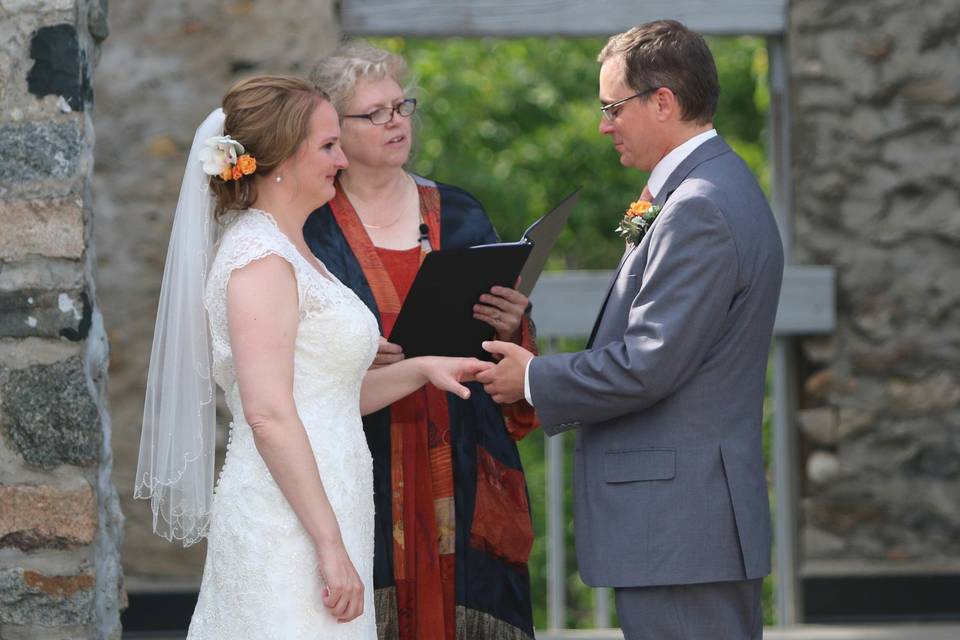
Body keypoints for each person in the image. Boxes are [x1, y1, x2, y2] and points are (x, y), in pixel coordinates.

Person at [134, 75, 491, 640]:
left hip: (330, 502)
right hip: (286, 521)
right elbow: (269, 412)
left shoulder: (293, 247)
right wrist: (329, 546)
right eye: (328, 146)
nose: (342, 159)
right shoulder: (259, 259)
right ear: (279, 160)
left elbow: (327, 394)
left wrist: (422, 370)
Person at [478, 21, 784, 640]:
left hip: (681, 524)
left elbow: (649, 362)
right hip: (688, 525)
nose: (603, 124)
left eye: (613, 106)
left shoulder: (697, 204)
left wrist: (531, 377)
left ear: (663, 101)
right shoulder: (715, 185)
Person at [304, 42, 538, 640]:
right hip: (368, 452)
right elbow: (292, 350)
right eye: (374, 113)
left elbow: (499, 351)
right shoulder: (311, 227)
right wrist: (352, 355)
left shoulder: (460, 213)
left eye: (401, 106)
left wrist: (510, 324)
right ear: (333, 125)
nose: (396, 121)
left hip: (461, 448)